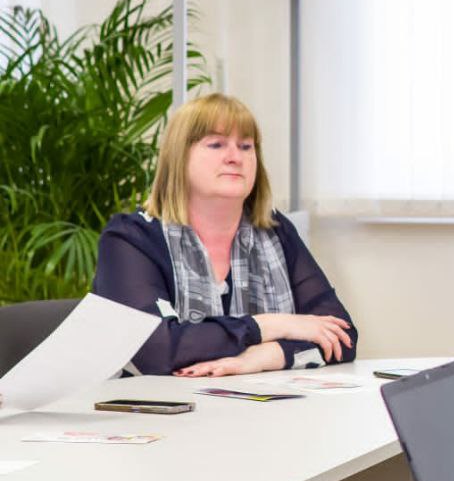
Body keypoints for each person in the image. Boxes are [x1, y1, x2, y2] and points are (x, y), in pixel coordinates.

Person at [93, 93, 357, 377]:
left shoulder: (275, 230)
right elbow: (157, 350)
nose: (235, 157)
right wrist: (269, 326)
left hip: (256, 402)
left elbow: (341, 335)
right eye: (216, 144)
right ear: (179, 157)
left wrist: (262, 357)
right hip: (149, 404)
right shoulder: (131, 238)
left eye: (246, 146)